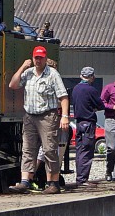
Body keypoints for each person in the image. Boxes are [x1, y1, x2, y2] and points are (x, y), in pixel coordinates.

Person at [7, 45, 70, 194]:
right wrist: (22, 67)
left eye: (41, 57)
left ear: (45, 58)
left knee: (49, 149)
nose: (38, 60)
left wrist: (65, 116)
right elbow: (13, 84)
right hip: (30, 116)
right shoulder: (28, 73)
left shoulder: (52, 74)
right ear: (33, 58)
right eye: (36, 57)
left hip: (47, 116)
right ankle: (25, 181)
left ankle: (53, 183)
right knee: (28, 149)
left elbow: (63, 96)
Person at [69, 66, 104, 187]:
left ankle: (80, 177)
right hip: (88, 122)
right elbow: (100, 105)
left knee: (79, 150)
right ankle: (82, 179)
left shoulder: (75, 89)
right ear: (92, 77)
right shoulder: (91, 90)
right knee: (87, 151)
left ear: (81, 76)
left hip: (78, 122)